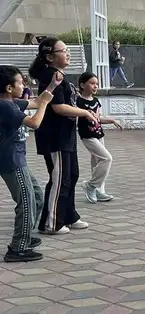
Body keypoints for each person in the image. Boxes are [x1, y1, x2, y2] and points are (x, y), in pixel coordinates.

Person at [29, 38, 97, 235]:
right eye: (63, 50)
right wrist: (84, 113)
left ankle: (69, 215)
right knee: (60, 179)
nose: (68, 53)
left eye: (67, 50)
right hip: (54, 137)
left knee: (72, 175)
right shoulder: (51, 76)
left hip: (65, 136)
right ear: (50, 56)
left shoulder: (59, 75)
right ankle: (51, 223)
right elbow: (58, 107)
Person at [0, 65, 61, 262]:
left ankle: (24, 237)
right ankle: (18, 248)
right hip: (11, 161)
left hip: (17, 159)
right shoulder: (5, 106)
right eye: (20, 82)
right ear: (9, 87)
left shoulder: (11, 102)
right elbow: (35, 122)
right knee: (26, 203)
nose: (23, 85)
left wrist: (51, 86)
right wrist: (44, 104)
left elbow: (34, 101)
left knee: (35, 197)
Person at [77, 72, 121, 204]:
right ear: (82, 85)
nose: (95, 86)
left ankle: (99, 191)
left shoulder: (96, 101)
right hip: (88, 136)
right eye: (92, 83)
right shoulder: (78, 101)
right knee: (106, 158)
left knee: (96, 164)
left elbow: (98, 118)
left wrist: (112, 120)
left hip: (99, 134)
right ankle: (90, 185)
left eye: (97, 84)